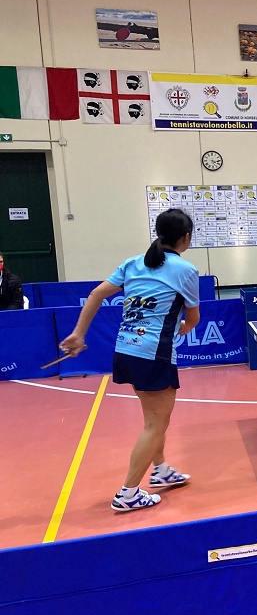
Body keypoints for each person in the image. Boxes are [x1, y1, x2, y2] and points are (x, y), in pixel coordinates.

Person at [59, 209, 200, 512]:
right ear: (186, 238)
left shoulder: (133, 263)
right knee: (155, 424)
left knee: (155, 418)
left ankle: (161, 470)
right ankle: (128, 493)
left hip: (126, 350)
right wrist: (184, 328)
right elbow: (193, 317)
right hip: (153, 353)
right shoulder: (186, 270)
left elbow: (96, 294)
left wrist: (78, 334)